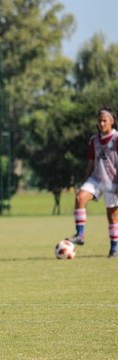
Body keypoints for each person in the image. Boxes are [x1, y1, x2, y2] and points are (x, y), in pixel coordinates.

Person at [67, 107, 118, 257]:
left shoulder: (116, 139)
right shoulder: (94, 140)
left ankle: (114, 249)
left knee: (112, 217)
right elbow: (90, 162)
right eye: (99, 121)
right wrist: (85, 181)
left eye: (105, 121)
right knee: (80, 197)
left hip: (113, 182)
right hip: (96, 178)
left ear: (112, 122)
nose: (101, 124)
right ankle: (80, 235)